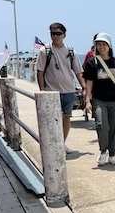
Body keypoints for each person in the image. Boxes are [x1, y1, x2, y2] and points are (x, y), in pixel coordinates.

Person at [36, 22, 86, 154]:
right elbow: (40, 72)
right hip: (51, 93)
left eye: (58, 33)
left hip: (69, 91)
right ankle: (52, 145)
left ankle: (61, 144)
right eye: (53, 33)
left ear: (64, 35)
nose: (55, 36)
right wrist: (42, 91)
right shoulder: (44, 51)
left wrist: (84, 87)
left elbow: (78, 72)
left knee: (66, 118)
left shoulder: (70, 52)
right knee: (52, 120)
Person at [83, 33, 115, 166]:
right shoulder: (92, 62)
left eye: (104, 44)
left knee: (113, 128)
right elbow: (89, 83)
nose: (101, 47)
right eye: (99, 44)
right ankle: (103, 152)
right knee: (102, 126)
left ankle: (113, 154)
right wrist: (87, 101)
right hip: (99, 100)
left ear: (109, 46)